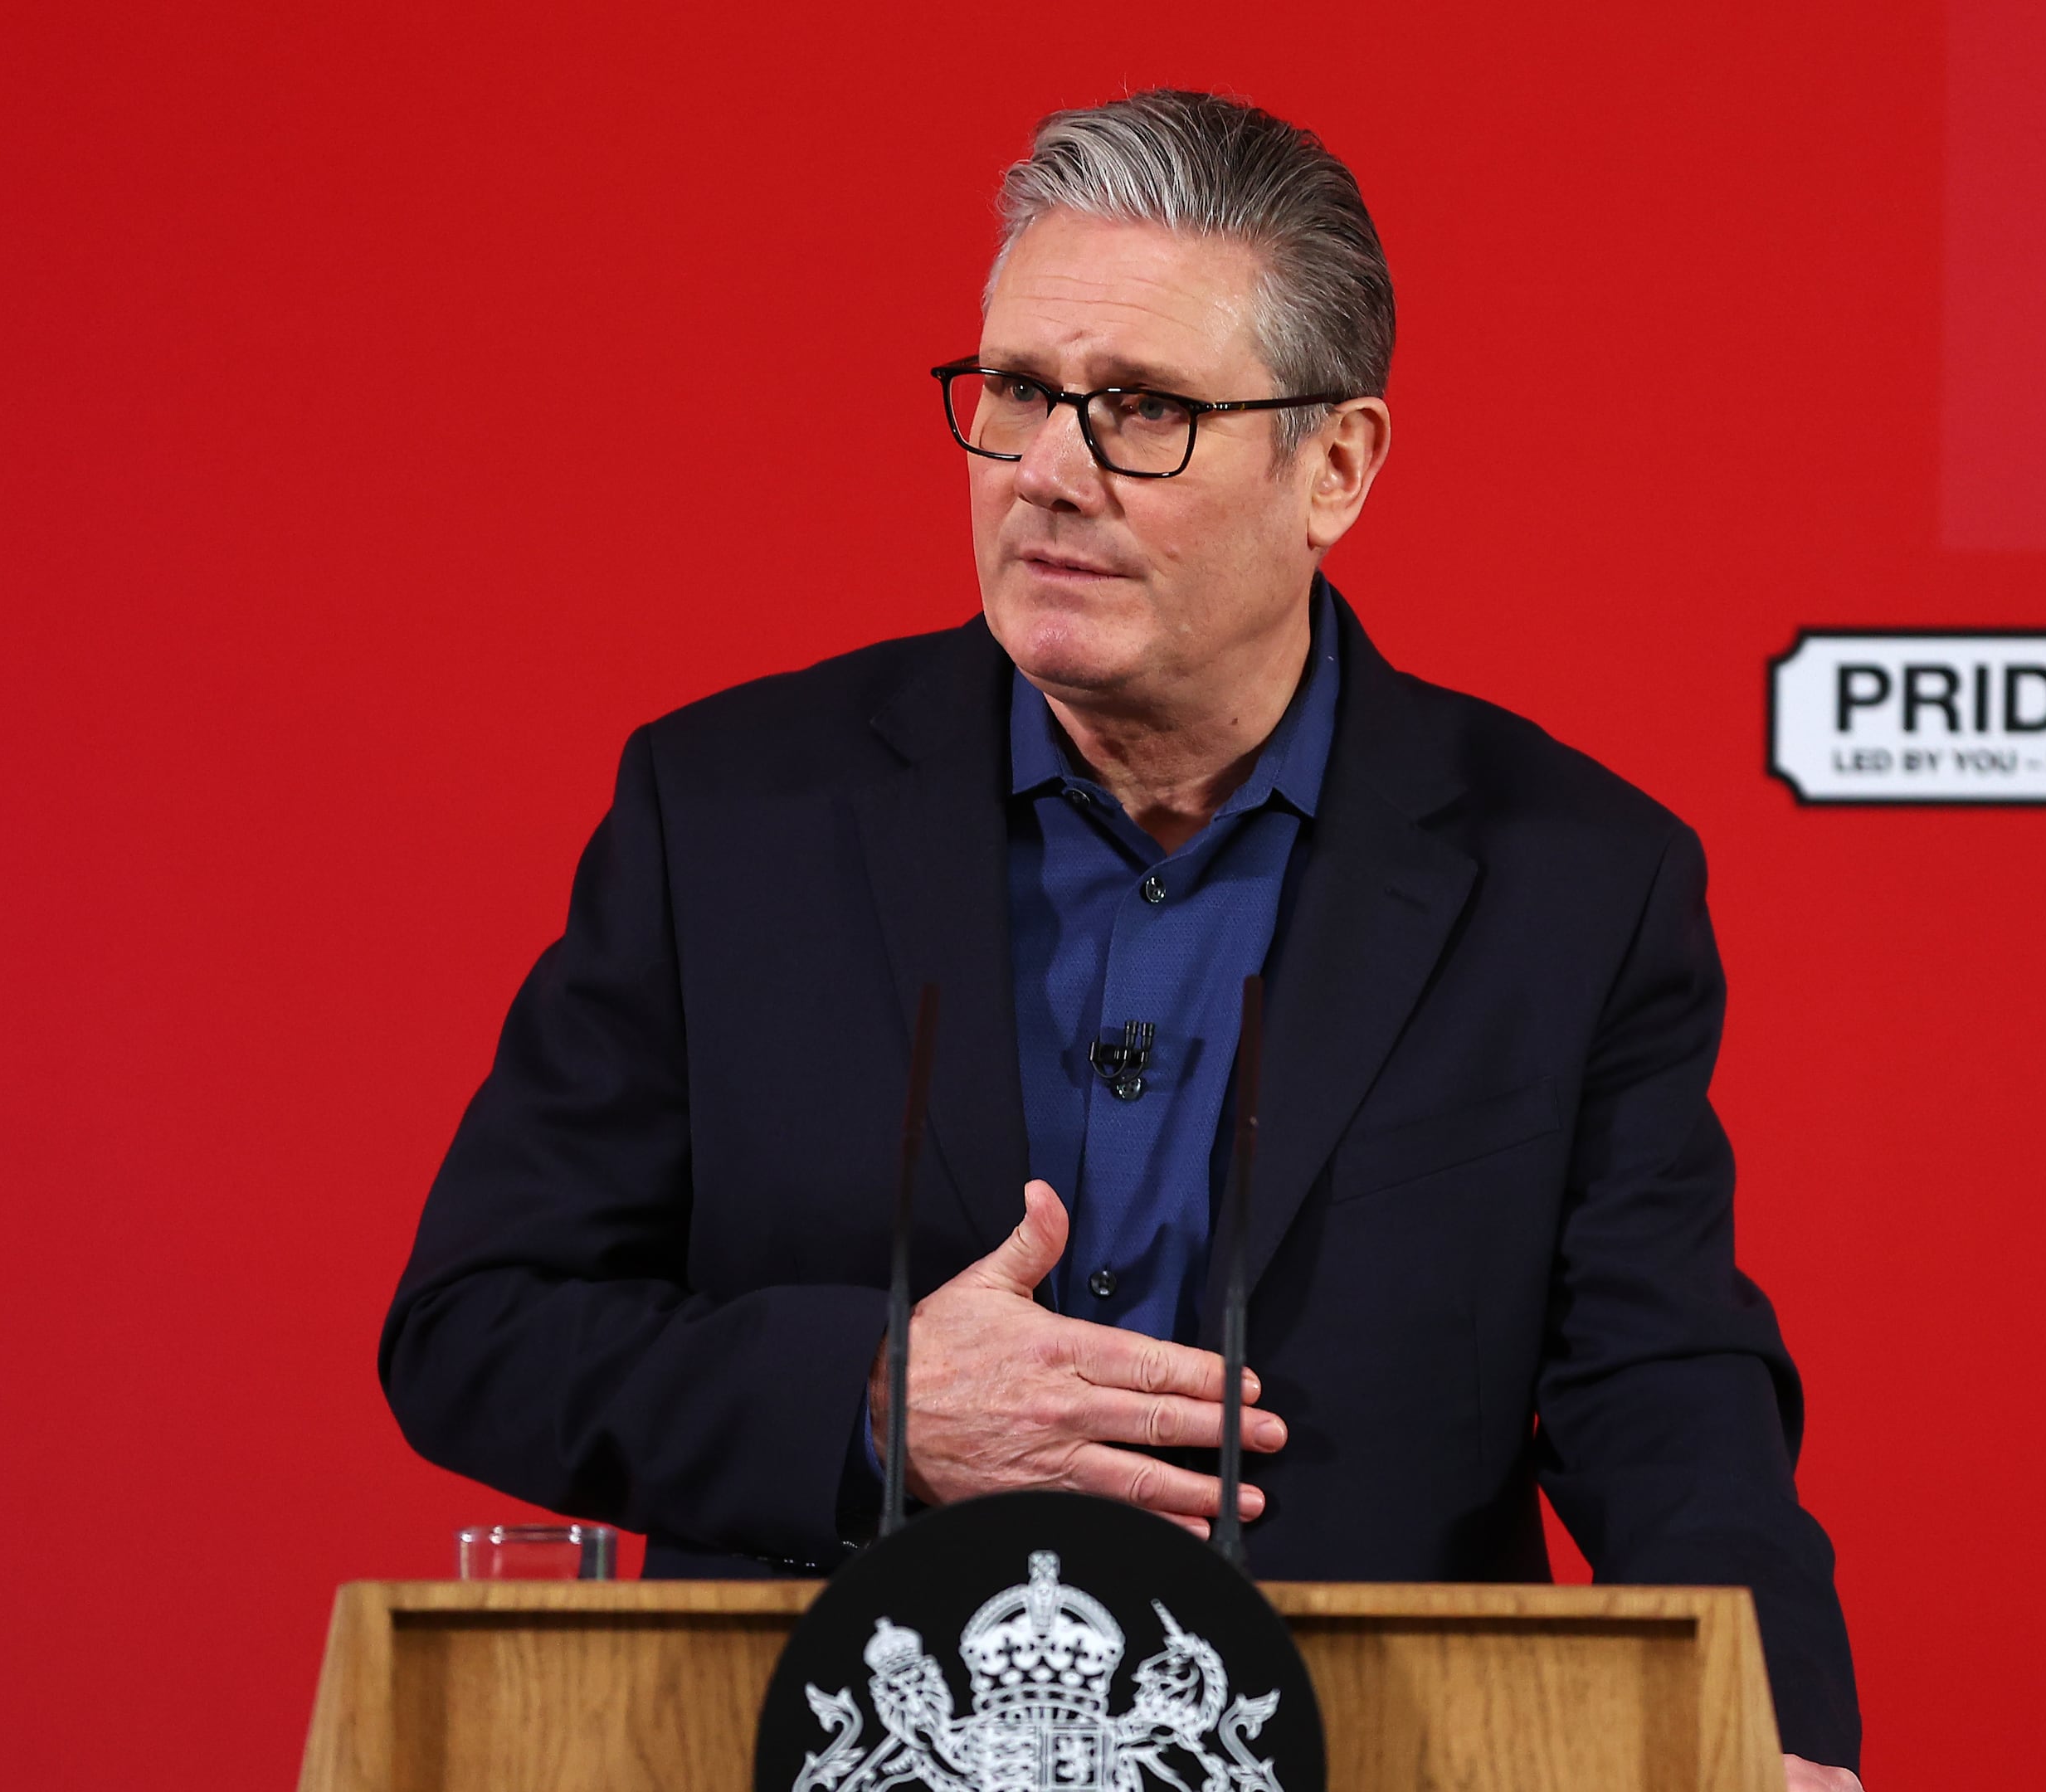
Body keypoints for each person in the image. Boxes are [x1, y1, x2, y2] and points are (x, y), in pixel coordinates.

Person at [382, 90, 1863, 1785]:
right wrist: (872, 1401)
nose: (1046, 477)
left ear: (1337, 467)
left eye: (1143, 410)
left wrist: (1777, 1737)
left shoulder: (1571, 882)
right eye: (1016, 392)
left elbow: (1666, 1391)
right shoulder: (726, 816)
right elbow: (479, 1327)